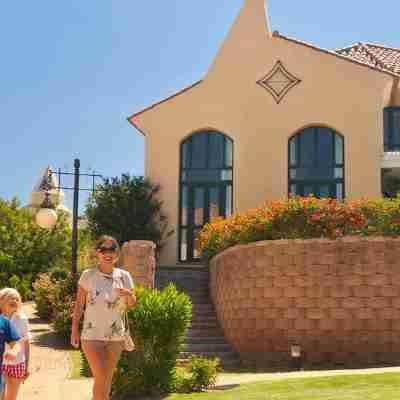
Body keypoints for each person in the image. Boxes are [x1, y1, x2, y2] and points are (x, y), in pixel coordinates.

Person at [71, 235, 136, 400]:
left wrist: (128, 295)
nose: (108, 253)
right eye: (104, 249)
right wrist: (74, 331)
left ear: (117, 254)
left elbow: (131, 304)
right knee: (101, 375)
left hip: (116, 335)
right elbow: (79, 305)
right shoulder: (88, 275)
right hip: (91, 335)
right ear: (98, 253)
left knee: (106, 380)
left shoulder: (124, 276)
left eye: (112, 249)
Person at [0, 290, 22, 400]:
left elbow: (17, 344)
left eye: (16, 299)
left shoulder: (4, 322)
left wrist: (13, 352)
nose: (14, 301)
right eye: (11, 298)